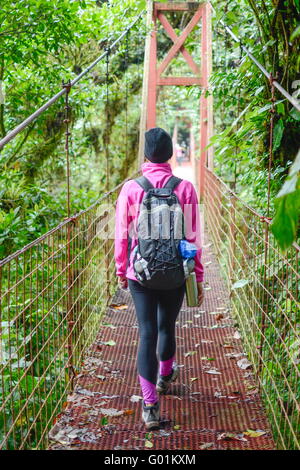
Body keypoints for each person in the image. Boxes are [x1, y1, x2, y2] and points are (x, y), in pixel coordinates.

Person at [114, 127, 204, 430]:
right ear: (170, 155)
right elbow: (192, 237)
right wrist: (198, 277)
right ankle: (166, 376)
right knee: (167, 326)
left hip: (140, 273)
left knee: (147, 332)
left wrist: (121, 270)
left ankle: (150, 405)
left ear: (145, 155)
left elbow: (121, 237)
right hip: (176, 273)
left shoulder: (131, 188)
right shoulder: (186, 188)